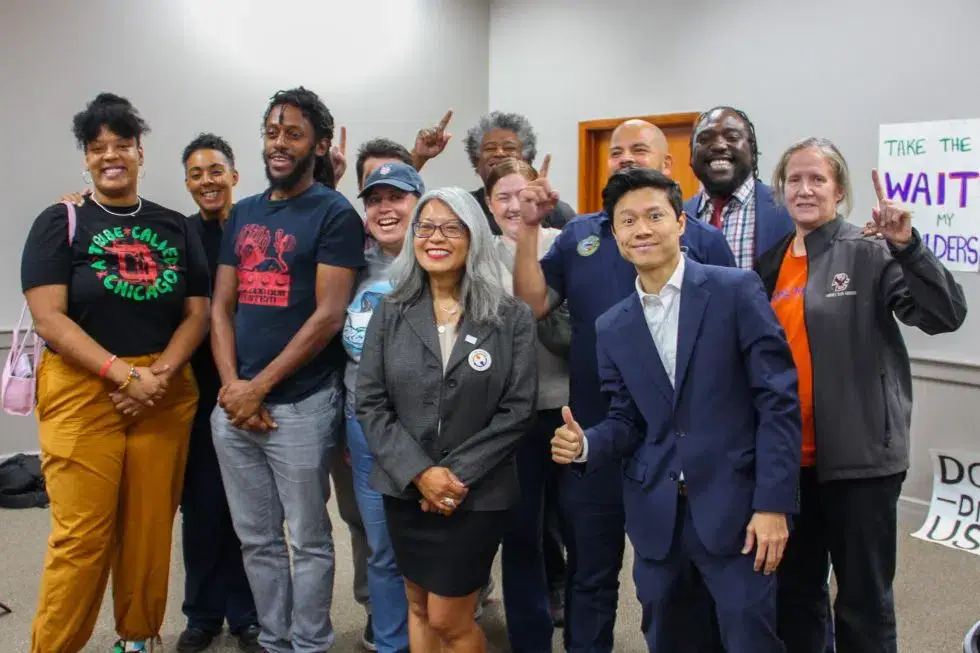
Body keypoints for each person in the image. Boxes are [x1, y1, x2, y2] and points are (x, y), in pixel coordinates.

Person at [551, 167, 802, 653]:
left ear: (681, 222)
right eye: (627, 221)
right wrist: (586, 444)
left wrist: (773, 504)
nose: (641, 229)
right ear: (616, 235)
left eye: (654, 216)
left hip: (738, 509)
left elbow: (777, 402)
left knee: (750, 638)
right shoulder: (612, 325)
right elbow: (627, 421)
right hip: (657, 516)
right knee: (670, 638)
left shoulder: (735, 290)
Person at [513, 119, 734, 653]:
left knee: (681, 581)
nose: (626, 158)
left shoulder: (704, 240)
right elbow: (531, 305)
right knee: (591, 576)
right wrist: (527, 228)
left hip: (680, 449)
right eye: (616, 152)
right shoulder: (580, 236)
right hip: (597, 438)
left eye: (639, 149)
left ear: (668, 166)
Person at [756, 138, 968, 653]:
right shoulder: (770, 264)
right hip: (791, 462)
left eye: (818, 179)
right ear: (781, 190)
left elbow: (945, 315)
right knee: (796, 597)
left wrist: (908, 246)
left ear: (839, 190)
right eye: (794, 179)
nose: (805, 189)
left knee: (862, 603)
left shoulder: (871, 250)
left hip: (862, 463)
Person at [22, 93, 210, 653]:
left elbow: (197, 313)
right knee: (82, 537)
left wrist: (157, 376)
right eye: (97, 146)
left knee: (150, 529)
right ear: (86, 157)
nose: (111, 155)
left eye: (122, 144)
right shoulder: (60, 222)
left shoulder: (174, 225)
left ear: (139, 152)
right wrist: (123, 376)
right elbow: (49, 318)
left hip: (162, 389)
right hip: (84, 388)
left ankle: (137, 639)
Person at [210, 87, 366, 653]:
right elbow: (221, 306)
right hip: (236, 407)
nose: (279, 143)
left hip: (301, 406)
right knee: (256, 539)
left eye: (293, 134)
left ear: (319, 146)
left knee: (308, 538)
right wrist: (234, 388)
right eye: (272, 132)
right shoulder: (244, 212)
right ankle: (275, 641)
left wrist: (259, 387)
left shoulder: (334, 214)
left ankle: (310, 643)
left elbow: (328, 316)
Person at [356, 187, 537, 653]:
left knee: (449, 619)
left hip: (476, 493)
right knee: (418, 605)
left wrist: (450, 478)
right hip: (405, 490)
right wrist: (421, 474)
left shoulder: (511, 316)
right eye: (426, 226)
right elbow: (371, 401)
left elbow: (518, 410)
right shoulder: (390, 310)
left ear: (473, 237)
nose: (436, 237)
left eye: (452, 227)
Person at [173, 134, 262, 652]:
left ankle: (248, 614)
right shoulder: (179, 233)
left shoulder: (256, 227)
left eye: (215, 171)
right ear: (187, 183)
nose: (206, 181)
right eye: (196, 174)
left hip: (257, 385)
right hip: (200, 389)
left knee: (249, 509)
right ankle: (203, 614)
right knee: (203, 508)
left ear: (234, 176)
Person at [343, 162, 427, 653]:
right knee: (381, 545)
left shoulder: (436, 258)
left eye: (396, 197)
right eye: (375, 200)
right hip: (363, 422)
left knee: (430, 543)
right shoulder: (355, 263)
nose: (385, 208)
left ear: (419, 203)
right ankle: (392, 643)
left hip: (422, 424)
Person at [486, 157, 569, 651]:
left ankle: (585, 631)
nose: (515, 205)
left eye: (523, 193)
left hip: (568, 410)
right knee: (521, 534)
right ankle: (529, 640)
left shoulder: (566, 245)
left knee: (579, 529)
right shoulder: (479, 256)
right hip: (512, 419)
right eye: (503, 197)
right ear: (489, 204)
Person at [684, 106, 794, 270]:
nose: (719, 145)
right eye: (705, 139)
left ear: (753, 152)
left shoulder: (789, 207)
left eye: (732, 137)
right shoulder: (677, 216)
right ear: (691, 156)